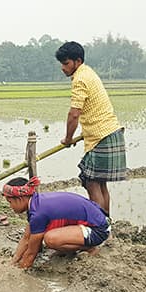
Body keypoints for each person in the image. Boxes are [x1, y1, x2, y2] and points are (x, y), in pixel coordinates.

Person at [55, 41, 126, 217]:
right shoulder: (88, 72)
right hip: (110, 133)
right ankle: (105, 226)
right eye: (62, 64)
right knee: (100, 185)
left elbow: (74, 114)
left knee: (92, 183)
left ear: (77, 61)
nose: (63, 68)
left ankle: (98, 228)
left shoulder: (80, 79)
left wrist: (68, 138)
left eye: (66, 63)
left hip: (101, 136)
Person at [2, 176, 110, 269]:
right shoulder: (37, 203)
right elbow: (26, 238)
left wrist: (21, 271)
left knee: (50, 239)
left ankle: (89, 248)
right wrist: (12, 262)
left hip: (98, 230)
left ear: (20, 198)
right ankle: (75, 246)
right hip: (94, 221)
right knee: (47, 236)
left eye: (10, 202)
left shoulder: (38, 213)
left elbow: (31, 253)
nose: (10, 207)